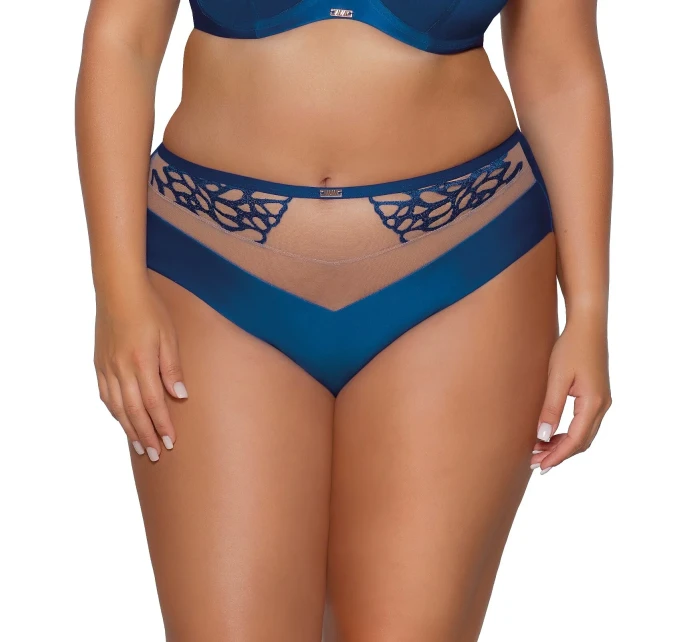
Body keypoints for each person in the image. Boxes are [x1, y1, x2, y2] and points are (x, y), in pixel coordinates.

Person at [76, 0, 613, 639]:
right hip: (209, 268)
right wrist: (118, 290)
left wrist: (589, 309)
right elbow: (122, 42)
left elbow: (560, 70)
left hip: (465, 266)